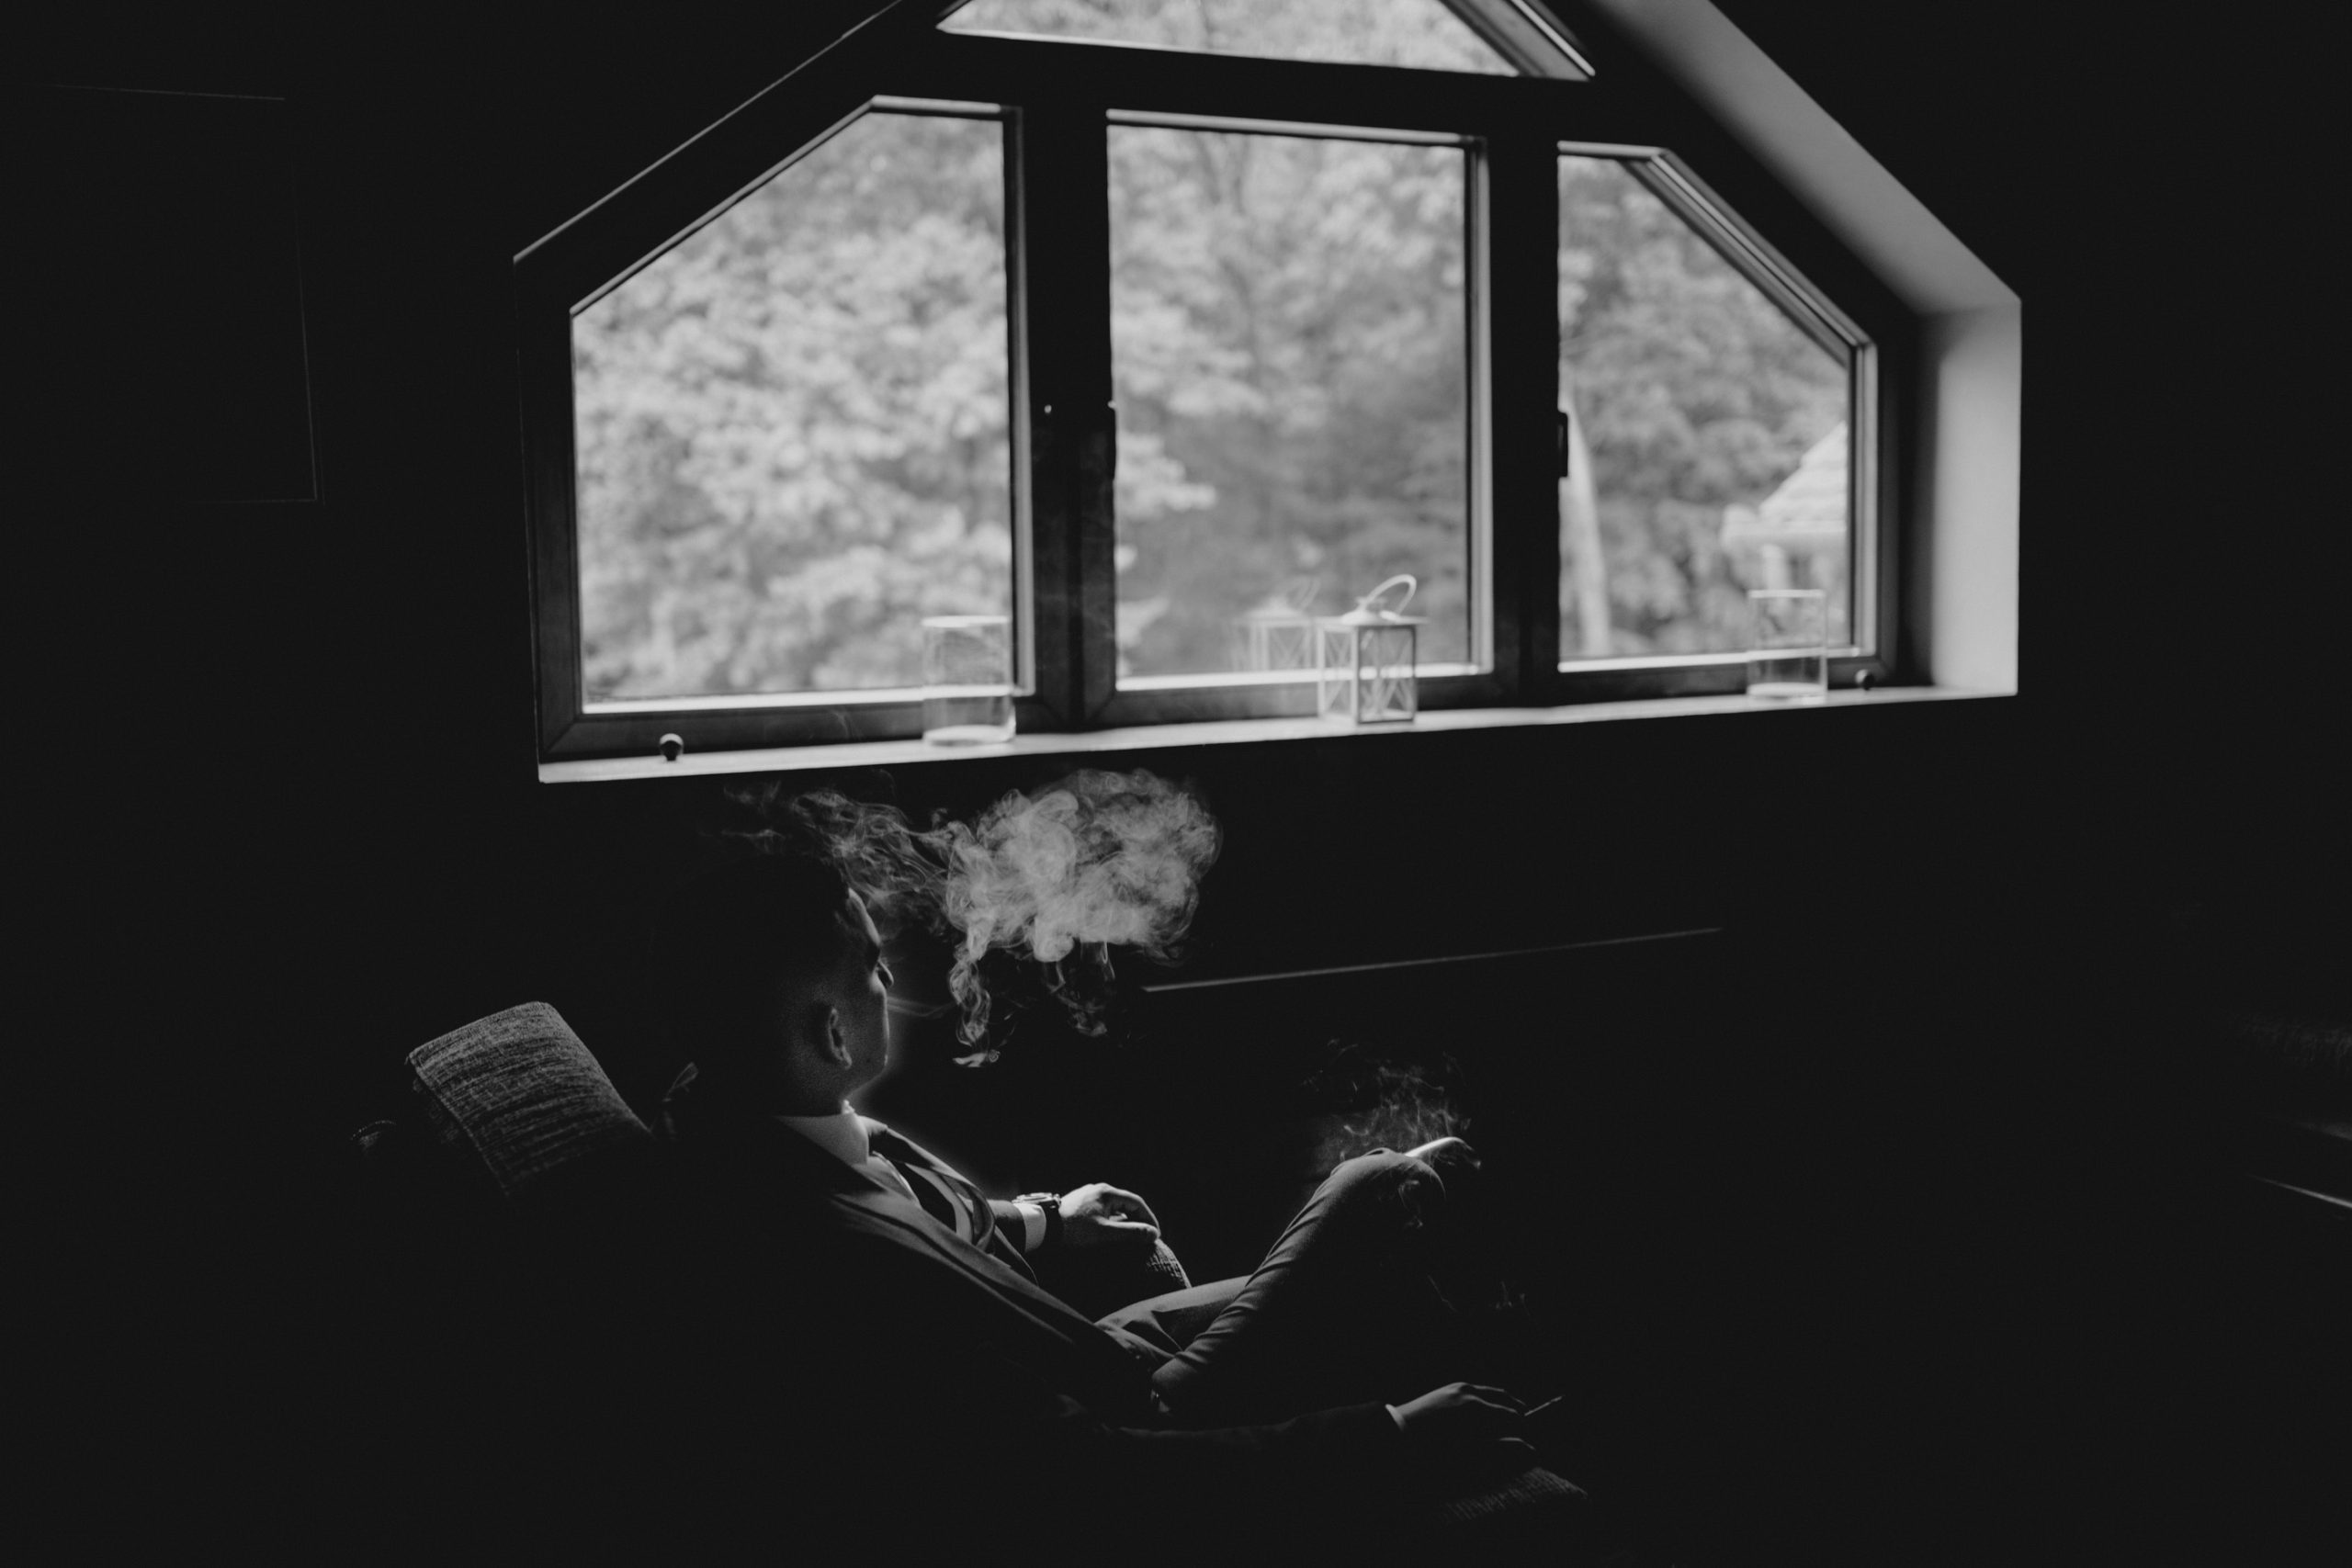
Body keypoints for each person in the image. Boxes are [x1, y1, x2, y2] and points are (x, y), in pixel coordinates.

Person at [643, 834, 1565, 1556]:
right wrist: (1392, 1438)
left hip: (1083, 1352)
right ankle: (1534, 1410)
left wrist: (1048, 1220)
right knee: (1383, 1184)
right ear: (832, 1036)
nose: (891, 984)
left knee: (1377, 1237)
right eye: (874, 972)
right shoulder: (838, 1264)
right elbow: (1092, 1478)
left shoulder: (740, 1116)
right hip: (1130, 1412)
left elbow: (924, 1216)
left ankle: (1492, 1386)